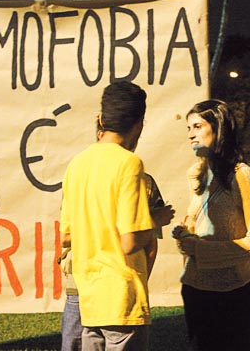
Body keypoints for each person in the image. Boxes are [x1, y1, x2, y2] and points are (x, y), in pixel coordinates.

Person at [60, 121, 175, 351]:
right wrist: (155, 220)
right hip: (103, 291)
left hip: (100, 290)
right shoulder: (125, 167)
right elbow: (131, 239)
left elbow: (66, 234)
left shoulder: (78, 166)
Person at [173, 99, 250, 351]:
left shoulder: (240, 174)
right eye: (188, 128)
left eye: (197, 126)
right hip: (195, 288)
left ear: (218, 128)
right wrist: (184, 235)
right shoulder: (199, 175)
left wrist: (200, 249)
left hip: (232, 292)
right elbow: (197, 233)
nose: (191, 134)